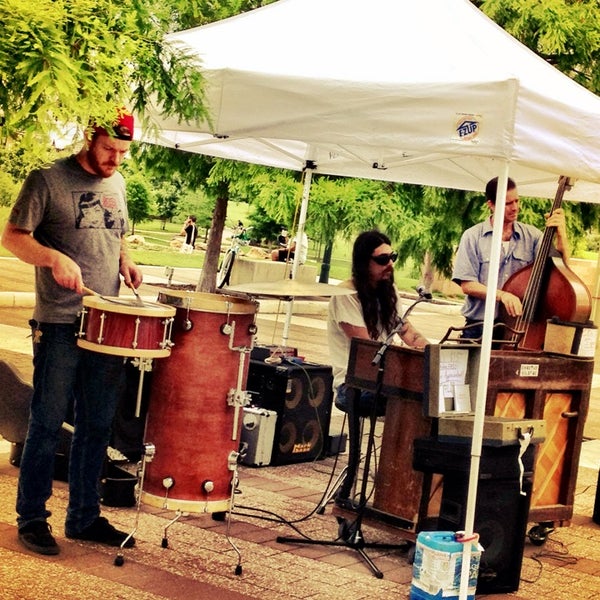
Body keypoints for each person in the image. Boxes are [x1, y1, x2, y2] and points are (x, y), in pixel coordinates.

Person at [1, 108, 143, 556]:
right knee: (45, 422)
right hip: (60, 323)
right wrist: (53, 259)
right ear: (89, 137)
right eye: (108, 149)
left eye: (123, 152)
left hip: (108, 322)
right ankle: (32, 518)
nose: (115, 160)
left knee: (97, 424)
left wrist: (125, 260)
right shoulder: (47, 180)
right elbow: (13, 236)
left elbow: (115, 232)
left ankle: (84, 517)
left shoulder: (117, 183)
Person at [327, 230, 428, 505]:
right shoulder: (345, 294)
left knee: (429, 401)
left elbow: (410, 334)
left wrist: (435, 355)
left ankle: (408, 490)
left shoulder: (389, 292)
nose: (390, 264)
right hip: (353, 386)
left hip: (386, 381)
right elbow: (367, 349)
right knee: (413, 403)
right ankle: (392, 487)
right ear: (364, 262)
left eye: (392, 257)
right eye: (383, 259)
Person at [452, 176, 569, 340]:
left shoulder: (533, 236)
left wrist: (561, 235)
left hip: (518, 328)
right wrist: (503, 295)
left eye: (517, 201)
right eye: (508, 203)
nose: (515, 208)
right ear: (491, 205)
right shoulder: (472, 236)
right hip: (479, 327)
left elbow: (561, 272)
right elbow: (467, 284)